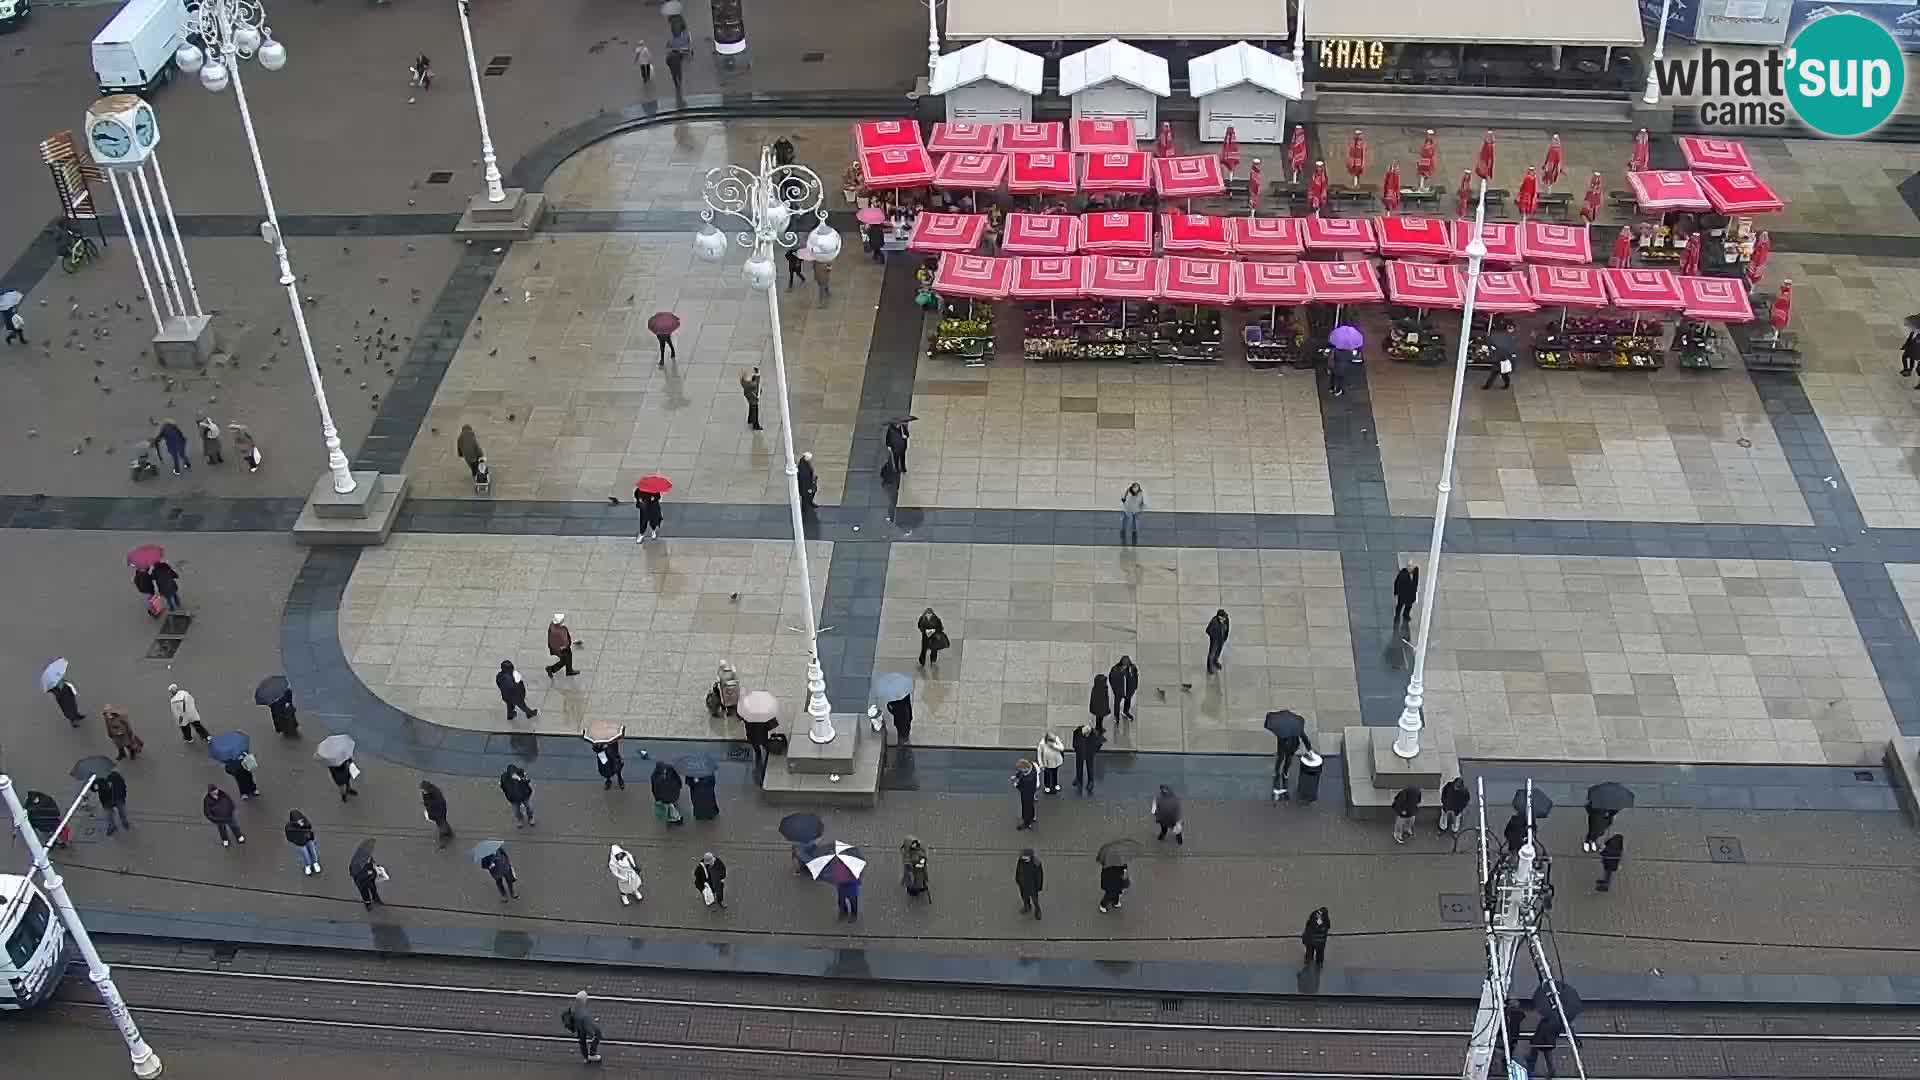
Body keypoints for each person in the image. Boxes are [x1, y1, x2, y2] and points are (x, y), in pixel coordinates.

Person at [561, 990, 603, 1063]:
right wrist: (592, 1034)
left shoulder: (574, 1006)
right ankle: (592, 1055)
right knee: (597, 1035)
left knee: (582, 1040)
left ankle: (586, 1057)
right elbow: (587, 1023)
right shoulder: (583, 1011)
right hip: (583, 1024)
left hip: (578, 1026)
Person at [1272, 732, 1309, 801]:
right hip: (1290, 745)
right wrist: (1309, 749)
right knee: (1286, 758)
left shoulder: (1282, 728)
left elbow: (1303, 737)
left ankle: (1279, 771)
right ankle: (1283, 772)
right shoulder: (1296, 727)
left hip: (1286, 744)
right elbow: (1304, 737)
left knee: (1283, 758)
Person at [1071, 722, 1104, 795]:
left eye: (1087, 734)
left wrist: (1094, 751)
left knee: (1090, 768)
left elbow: (1100, 742)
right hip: (1080, 751)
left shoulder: (1094, 734)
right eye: (1084, 734)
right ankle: (1078, 778)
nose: (1085, 735)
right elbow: (1074, 739)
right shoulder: (1078, 731)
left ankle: (1090, 782)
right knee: (1079, 766)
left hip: (1089, 752)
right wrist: (1076, 748)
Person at [650, 760, 685, 826]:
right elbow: (654, 788)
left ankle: (675, 818)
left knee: (670, 806)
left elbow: (677, 778)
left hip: (672, 792)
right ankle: (676, 818)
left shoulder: (670, 770)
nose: (664, 771)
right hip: (665, 795)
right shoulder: (655, 777)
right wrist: (657, 798)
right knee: (670, 806)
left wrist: (679, 786)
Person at [285, 810, 320, 875]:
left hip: (308, 840)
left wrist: (304, 826)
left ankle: (315, 863)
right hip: (300, 844)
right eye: (298, 821)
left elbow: (309, 827)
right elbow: (289, 837)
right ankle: (308, 865)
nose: (300, 822)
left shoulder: (304, 821)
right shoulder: (289, 827)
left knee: (313, 851)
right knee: (305, 855)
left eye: (300, 820)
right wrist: (296, 841)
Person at [97, 769, 131, 836]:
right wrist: (94, 786)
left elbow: (123, 785)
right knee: (109, 815)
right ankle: (112, 826)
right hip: (107, 801)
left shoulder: (115, 775)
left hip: (118, 798)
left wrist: (123, 796)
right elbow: (95, 788)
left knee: (122, 811)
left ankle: (124, 822)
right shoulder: (99, 779)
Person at [546, 613, 579, 678]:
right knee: (565, 660)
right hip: (563, 649)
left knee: (566, 659)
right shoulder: (561, 630)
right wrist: (567, 645)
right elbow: (565, 642)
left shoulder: (552, 625)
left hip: (555, 647)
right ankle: (552, 669)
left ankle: (568, 670)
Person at [420, 780, 453, 847]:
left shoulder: (436, 794)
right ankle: (449, 833)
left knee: (441, 825)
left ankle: (443, 840)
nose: (422, 791)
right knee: (443, 823)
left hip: (439, 813)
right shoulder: (427, 793)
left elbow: (439, 805)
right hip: (434, 812)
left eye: (423, 790)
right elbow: (427, 802)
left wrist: (433, 813)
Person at [1108, 656, 1138, 723]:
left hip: (1129, 690)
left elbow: (1136, 677)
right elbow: (1111, 679)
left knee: (1128, 702)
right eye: (1123, 665)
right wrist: (1114, 689)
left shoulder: (1133, 668)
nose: (1125, 667)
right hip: (1119, 691)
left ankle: (1125, 712)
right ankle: (1116, 717)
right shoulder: (1115, 669)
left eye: (1126, 665)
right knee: (1117, 704)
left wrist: (1135, 687)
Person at [1014, 849, 1043, 919]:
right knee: (1024, 897)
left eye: (1023, 856)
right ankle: (1027, 906)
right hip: (1023, 885)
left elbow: (1039, 877)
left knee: (1035, 900)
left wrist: (1039, 887)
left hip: (1032, 886)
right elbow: (1018, 870)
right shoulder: (1021, 860)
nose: (1022, 857)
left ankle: (1037, 910)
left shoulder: (1036, 864)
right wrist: (1017, 879)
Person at [1011, 758, 1039, 829]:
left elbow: (1023, 789)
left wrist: (1016, 785)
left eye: (1021, 770)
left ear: (1025, 769)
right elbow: (1021, 773)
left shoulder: (1029, 779)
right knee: (1030, 804)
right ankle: (1032, 816)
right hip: (1031, 791)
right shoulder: (1031, 765)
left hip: (1027, 793)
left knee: (1026, 807)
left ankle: (1026, 822)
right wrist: (1016, 776)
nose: (1020, 771)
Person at [1393, 563, 1419, 628]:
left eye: (1412, 567)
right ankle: (1397, 615)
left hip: (1411, 595)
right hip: (1403, 594)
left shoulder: (1415, 573)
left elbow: (1415, 583)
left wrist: (1415, 594)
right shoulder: (1402, 574)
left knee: (1408, 606)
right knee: (1400, 605)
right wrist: (1396, 592)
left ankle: (1406, 615)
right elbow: (1396, 583)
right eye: (1409, 567)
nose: (1411, 568)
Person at [1204, 609, 1230, 673]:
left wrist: (1225, 638)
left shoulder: (1226, 619)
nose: (1223, 619)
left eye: (1224, 618)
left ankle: (1215, 661)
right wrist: (1213, 637)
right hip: (1215, 640)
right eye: (1221, 618)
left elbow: (1227, 629)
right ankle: (1210, 667)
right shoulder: (1214, 621)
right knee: (1212, 653)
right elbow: (1208, 630)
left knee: (1218, 652)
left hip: (1222, 639)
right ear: (1218, 616)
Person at [741, 367, 763, 431]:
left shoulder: (744, 382)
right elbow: (757, 383)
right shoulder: (752, 384)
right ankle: (755, 425)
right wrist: (757, 375)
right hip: (753, 398)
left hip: (750, 396)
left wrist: (755, 375)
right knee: (755, 411)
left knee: (751, 408)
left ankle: (750, 419)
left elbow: (754, 380)